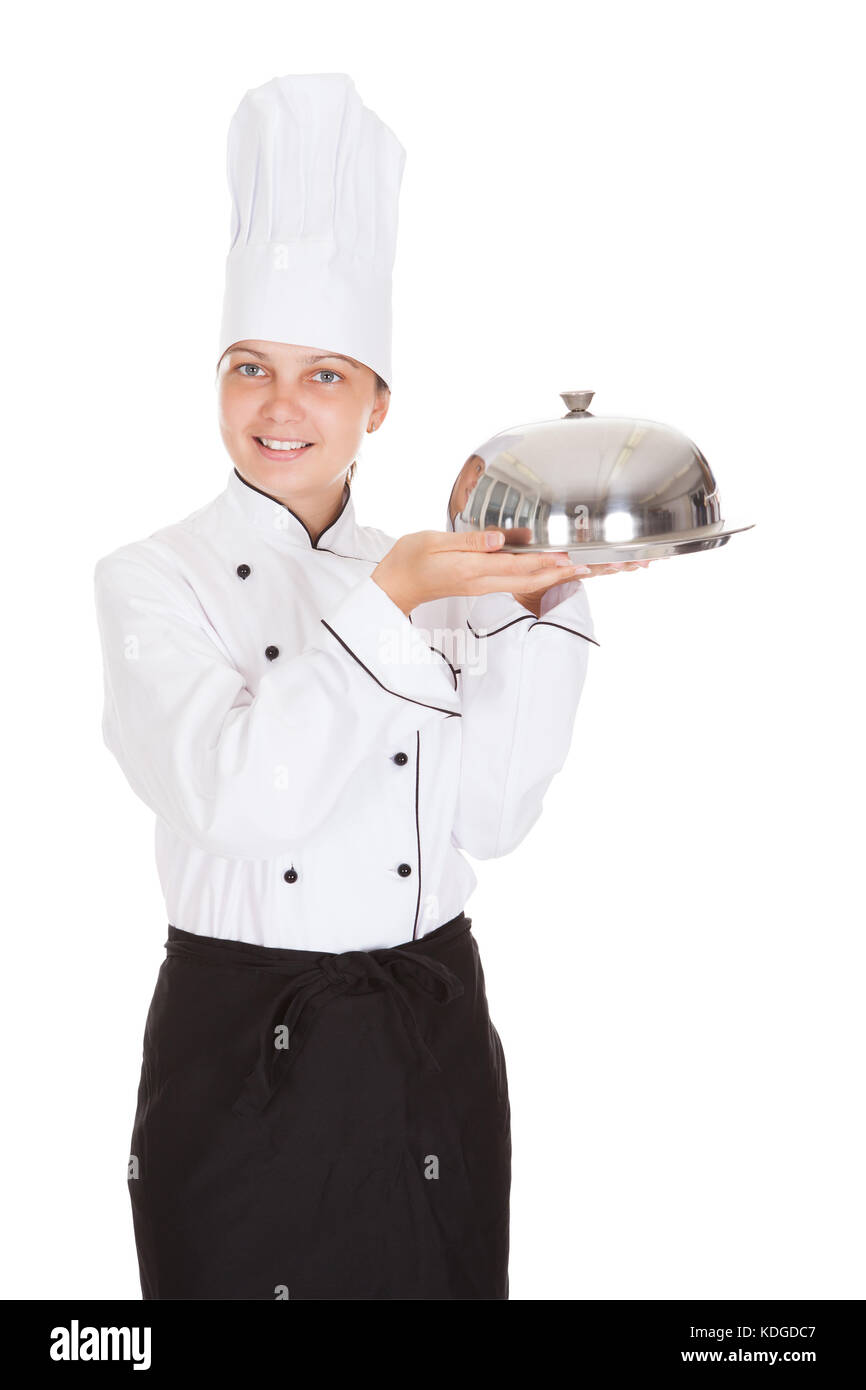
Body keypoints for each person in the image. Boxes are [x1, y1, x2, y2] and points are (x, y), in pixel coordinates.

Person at [93, 73, 651, 1302]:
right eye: (250, 368)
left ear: (378, 402)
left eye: (325, 375)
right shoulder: (148, 581)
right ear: (218, 380)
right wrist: (390, 603)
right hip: (242, 1052)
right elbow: (244, 804)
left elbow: (492, 822)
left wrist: (549, 600)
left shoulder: (436, 573)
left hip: (426, 1028)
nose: (280, 405)